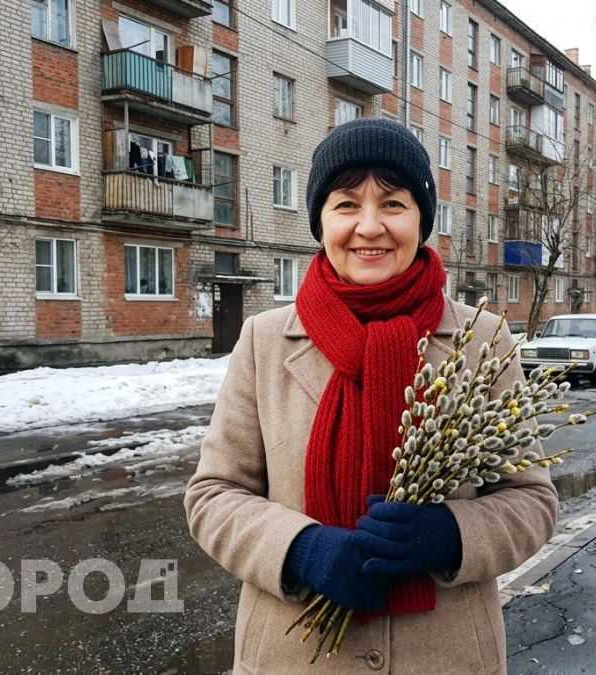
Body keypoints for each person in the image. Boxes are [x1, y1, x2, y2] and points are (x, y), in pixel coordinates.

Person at [184, 118, 558, 674]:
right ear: (320, 221)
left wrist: (451, 536)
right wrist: (300, 549)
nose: (369, 226)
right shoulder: (265, 340)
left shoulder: (483, 340)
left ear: (421, 220)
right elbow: (213, 495)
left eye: (393, 204)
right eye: (345, 204)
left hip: (447, 657)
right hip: (292, 658)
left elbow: (532, 502)